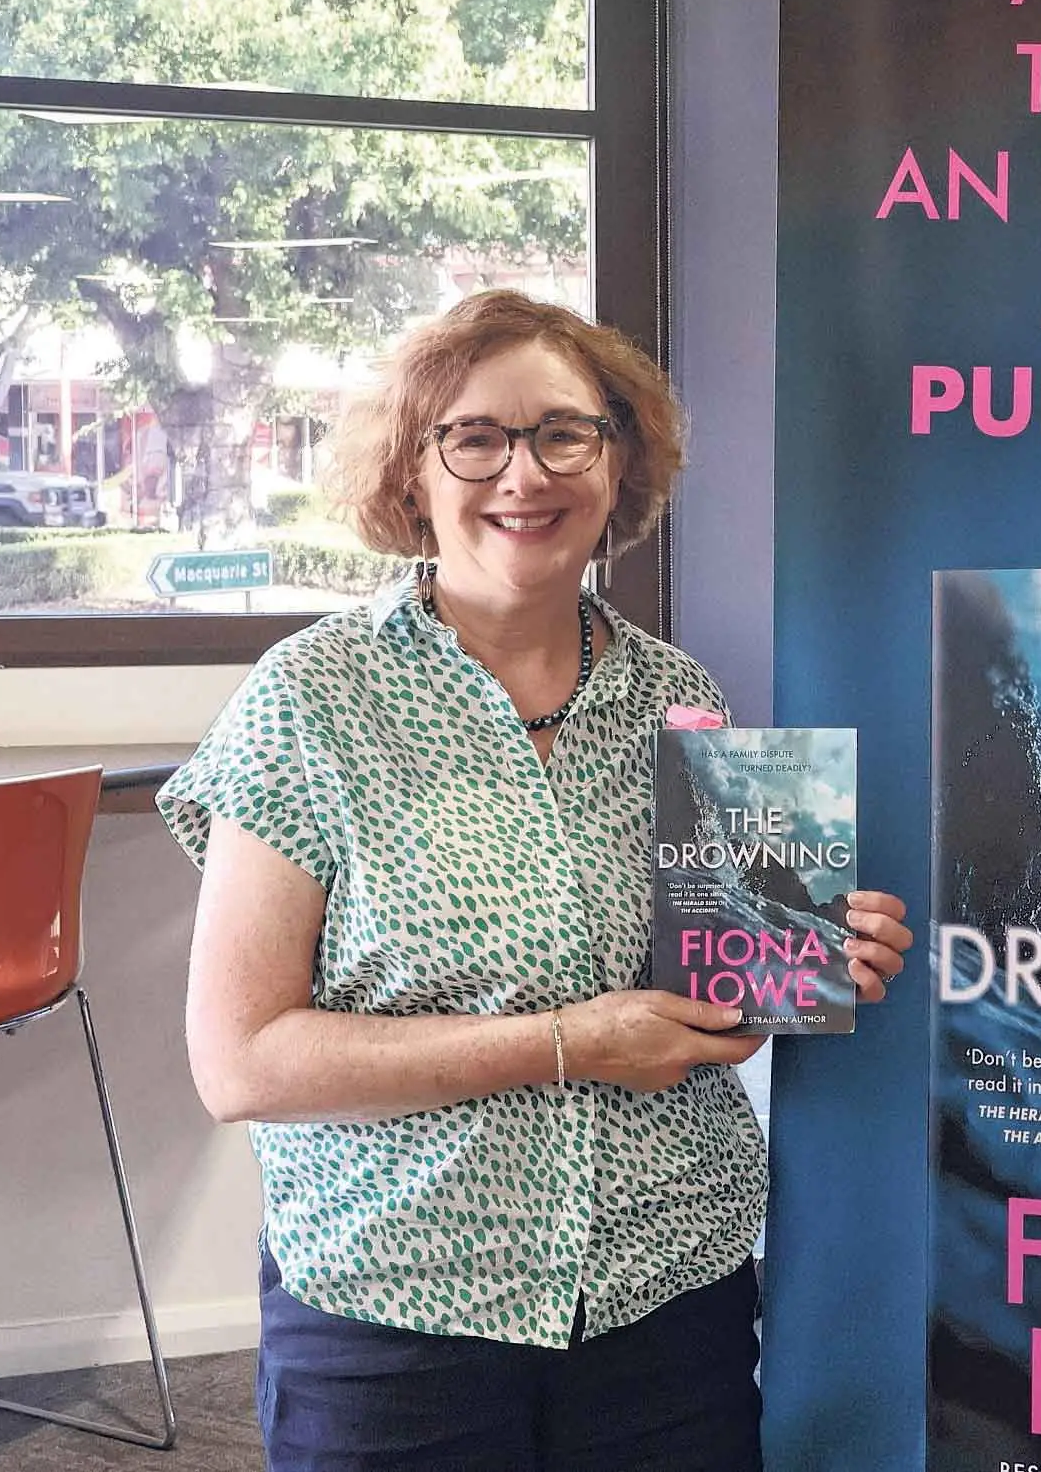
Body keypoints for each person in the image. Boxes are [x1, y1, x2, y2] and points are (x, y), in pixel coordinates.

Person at [160, 289, 915, 1472]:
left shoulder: (681, 693)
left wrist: (809, 957)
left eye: (565, 432)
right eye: (476, 437)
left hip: (670, 1293)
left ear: (618, 465)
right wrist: (568, 1040)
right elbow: (243, 1060)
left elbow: (711, 1013)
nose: (525, 472)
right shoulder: (310, 699)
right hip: (400, 1306)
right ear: (414, 473)